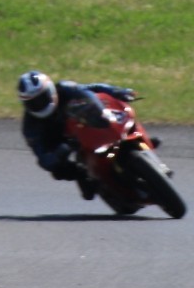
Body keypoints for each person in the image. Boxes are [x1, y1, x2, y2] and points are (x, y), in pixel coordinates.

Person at [17, 70, 136, 201]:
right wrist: (62, 150)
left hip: (84, 121)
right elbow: (43, 159)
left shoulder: (64, 88)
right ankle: (83, 174)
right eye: (33, 103)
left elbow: (93, 88)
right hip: (61, 142)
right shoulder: (30, 127)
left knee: (117, 107)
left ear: (50, 90)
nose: (39, 104)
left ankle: (132, 135)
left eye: (42, 98)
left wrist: (116, 91)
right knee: (59, 172)